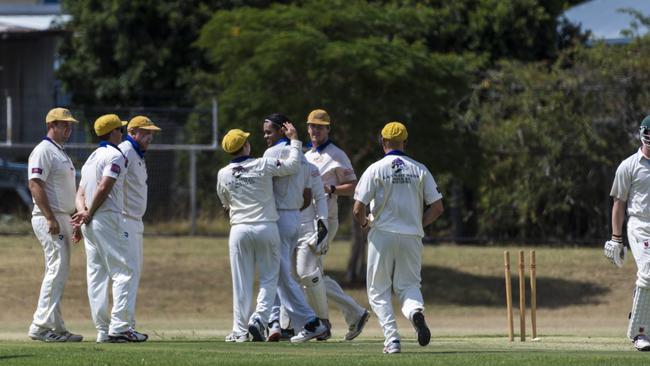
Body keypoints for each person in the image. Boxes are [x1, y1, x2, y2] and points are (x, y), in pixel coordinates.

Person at [352, 121, 443, 354]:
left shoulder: (375, 168)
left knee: (378, 290)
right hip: (411, 237)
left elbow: (357, 207)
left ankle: (392, 339)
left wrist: (364, 223)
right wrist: (418, 224)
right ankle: (415, 313)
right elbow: (437, 207)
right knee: (409, 286)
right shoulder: (420, 169)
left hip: (382, 235)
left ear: (383, 142)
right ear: (405, 142)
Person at [217, 123, 308, 342]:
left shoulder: (223, 174)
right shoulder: (263, 164)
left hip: (239, 229)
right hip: (266, 227)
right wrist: (294, 140)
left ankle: (239, 332)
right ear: (246, 146)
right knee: (269, 278)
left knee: (241, 282)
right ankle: (259, 318)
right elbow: (293, 165)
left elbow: (225, 203)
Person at [72, 114, 147, 343]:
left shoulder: (92, 157)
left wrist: (83, 215)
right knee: (125, 271)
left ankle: (103, 330)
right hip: (106, 217)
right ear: (114, 132)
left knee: (97, 276)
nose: (122, 133)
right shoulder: (116, 155)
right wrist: (90, 212)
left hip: (90, 221)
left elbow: (80, 193)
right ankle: (120, 328)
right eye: (120, 130)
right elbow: (105, 186)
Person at [304, 108, 369, 340]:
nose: (315, 130)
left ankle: (322, 322)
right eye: (312, 126)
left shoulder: (336, 154)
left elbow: (354, 185)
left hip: (326, 221)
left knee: (308, 273)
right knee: (310, 274)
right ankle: (350, 314)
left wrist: (331, 188)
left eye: (320, 127)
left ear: (328, 129)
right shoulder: (305, 154)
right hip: (307, 221)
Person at [261, 113, 328, 342]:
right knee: (279, 274)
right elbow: (307, 198)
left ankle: (311, 321)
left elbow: (264, 188)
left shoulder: (272, 153)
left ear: (282, 130)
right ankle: (273, 322)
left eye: (269, 131)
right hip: (295, 220)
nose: (265, 136)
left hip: (277, 218)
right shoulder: (305, 160)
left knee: (280, 275)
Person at [27, 108, 83, 342]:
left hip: (62, 217)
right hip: (48, 217)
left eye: (70, 125)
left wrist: (71, 218)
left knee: (58, 271)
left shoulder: (59, 152)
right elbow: (35, 184)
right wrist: (50, 217)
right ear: (52, 125)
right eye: (64, 125)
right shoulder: (43, 151)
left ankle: (57, 328)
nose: (68, 129)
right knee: (56, 269)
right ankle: (40, 326)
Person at [606, 115, 650, 352]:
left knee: (648, 278)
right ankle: (639, 333)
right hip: (640, 225)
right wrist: (616, 238)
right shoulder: (629, 165)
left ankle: (640, 311)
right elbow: (618, 203)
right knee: (648, 272)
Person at [118, 115, 161, 330]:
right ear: (132, 132)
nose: (150, 136)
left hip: (134, 220)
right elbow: (110, 183)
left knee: (133, 272)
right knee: (129, 272)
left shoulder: (137, 153)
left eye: (152, 133)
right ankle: (122, 326)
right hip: (124, 219)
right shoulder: (125, 151)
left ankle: (125, 323)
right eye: (145, 132)